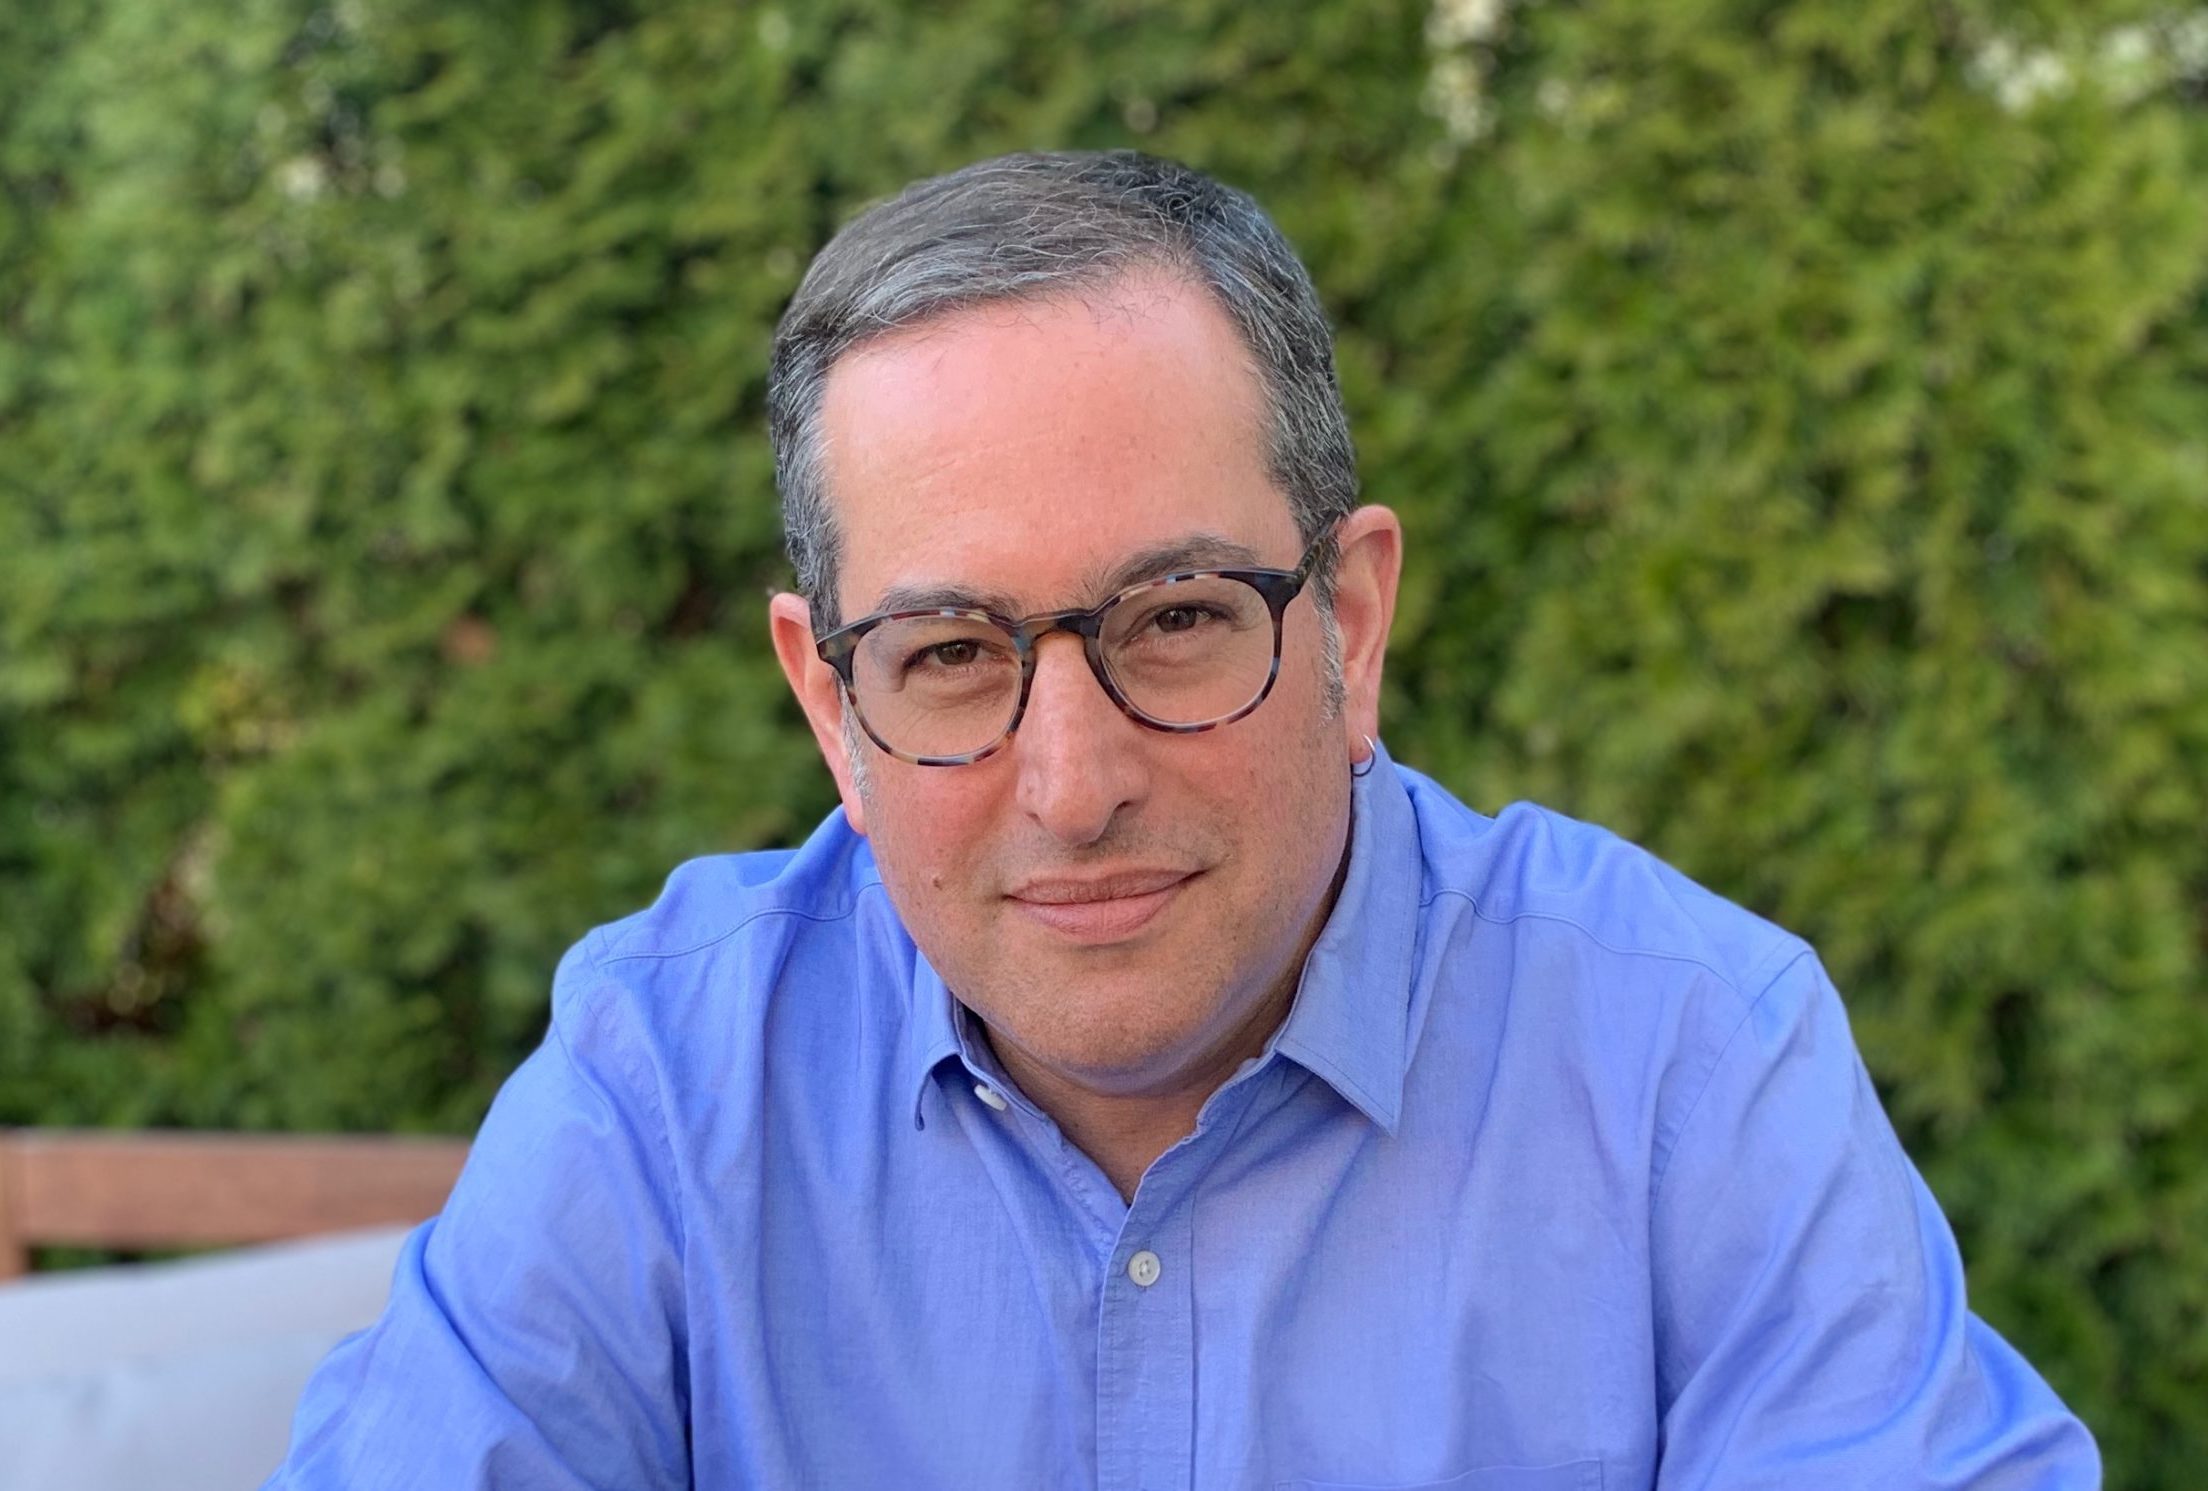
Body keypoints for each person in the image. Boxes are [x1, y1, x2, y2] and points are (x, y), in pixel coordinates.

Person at [265, 150, 2099, 1490]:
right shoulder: (669, 1078)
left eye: (1174, 620)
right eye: (951, 653)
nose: (1073, 786)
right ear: (829, 698)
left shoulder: (1687, 1055)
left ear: (1351, 626)